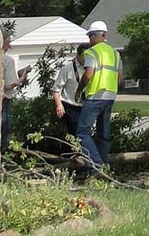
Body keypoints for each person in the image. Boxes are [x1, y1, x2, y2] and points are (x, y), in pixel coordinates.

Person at [75, 21, 123, 176]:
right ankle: (104, 167)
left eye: (90, 35)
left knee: (82, 132)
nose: (89, 39)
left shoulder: (92, 52)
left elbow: (88, 75)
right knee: (103, 133)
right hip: (110, 96)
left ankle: (96, 165)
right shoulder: (115, 54)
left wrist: (78, 91)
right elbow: (121, 79)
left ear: (99, 35)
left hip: (95, 96)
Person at [1, 33, 31, 155]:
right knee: (2, 132)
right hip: (2, 102)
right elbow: (9, 85)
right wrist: (23, 76)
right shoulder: (7, 60)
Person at [52, 44, 89, 139]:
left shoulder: (91, 69)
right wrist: (59, 105)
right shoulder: (67, 69)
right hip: (71, 106)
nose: (87, 59)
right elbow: (56, 90)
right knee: (75, 133)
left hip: (86, 106)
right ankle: (75, 152)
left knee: (86, 133)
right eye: (84, 56)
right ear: (78, 55)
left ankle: (83, 152)